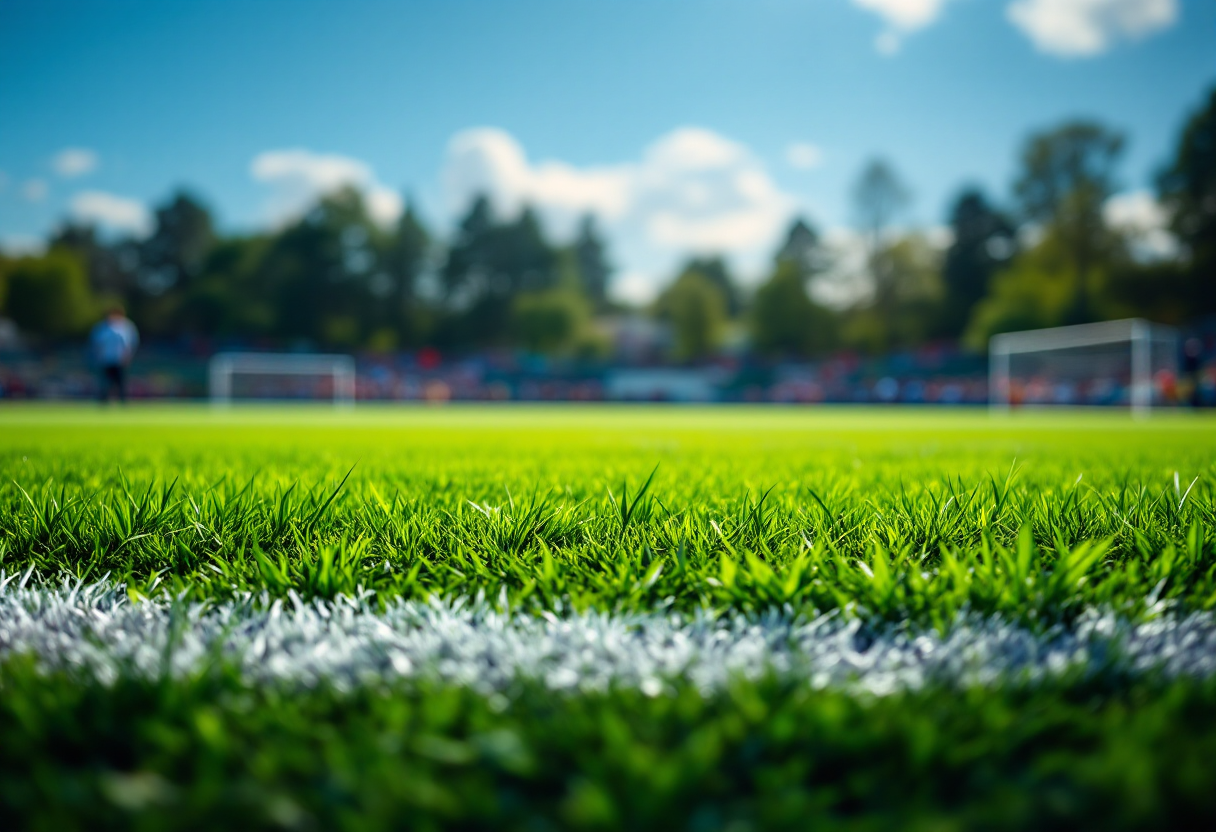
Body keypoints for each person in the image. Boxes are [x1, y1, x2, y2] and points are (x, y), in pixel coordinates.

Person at [90, 305, 139, 403]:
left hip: (120, 360)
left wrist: (127, 356)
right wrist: (99, 355)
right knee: (105, 381)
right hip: (106, 359)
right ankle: (103, 401)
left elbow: (131, 343)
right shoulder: (102, 327)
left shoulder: (126, 326)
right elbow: (97, 343)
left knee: (121, 382)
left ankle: (123, 401)